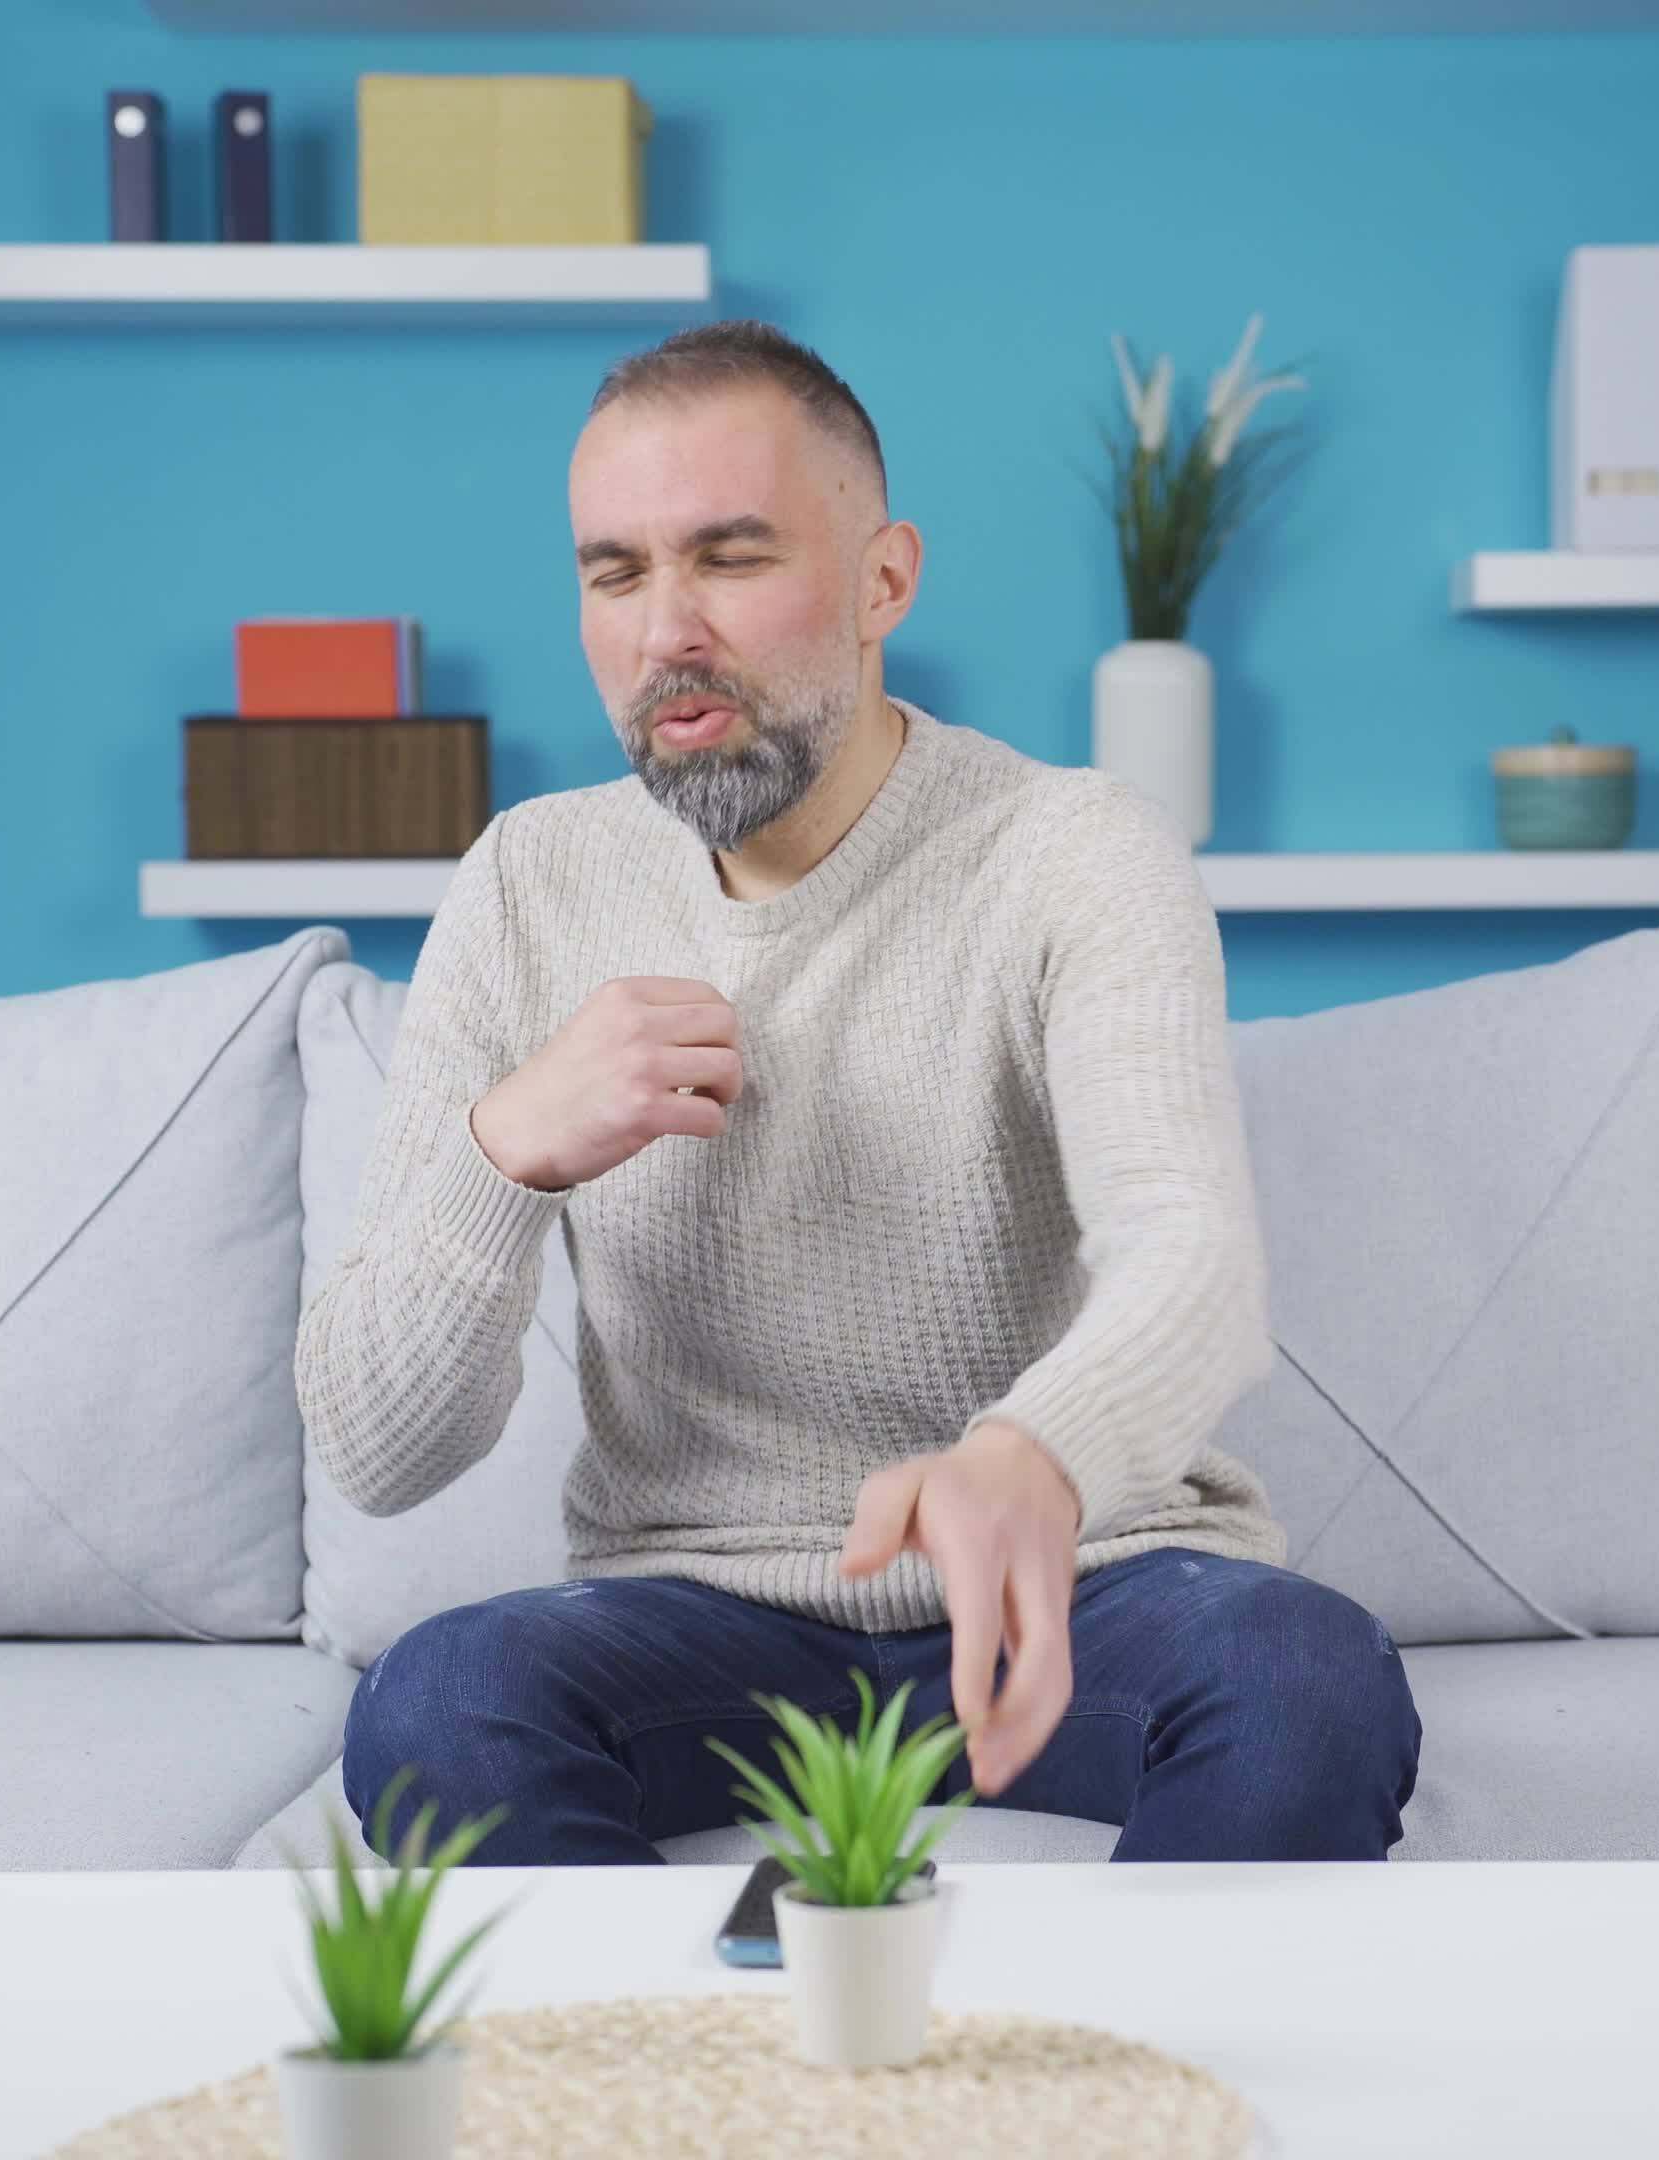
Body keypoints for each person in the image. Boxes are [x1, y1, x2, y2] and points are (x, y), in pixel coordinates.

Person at [297, 319, 1419, 1864]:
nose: (665, 630)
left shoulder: (1074, 851)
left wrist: (1029, 1460)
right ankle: (685, 2098)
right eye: (614, 573)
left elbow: (1200, 1268)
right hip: (699, 1612)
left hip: (1076, 1582)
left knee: (1306, 1680)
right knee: (435, 1708)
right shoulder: (525, 888)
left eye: (731, 558)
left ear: (886, 578)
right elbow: (372, 1446)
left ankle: (1106, 2105)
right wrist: (513, 1149)